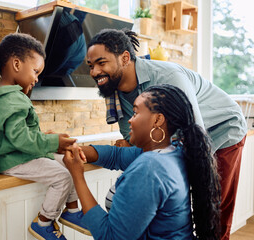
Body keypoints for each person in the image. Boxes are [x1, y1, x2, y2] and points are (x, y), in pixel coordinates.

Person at [86, 28, 247, 240]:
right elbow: (136, 140)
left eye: (101, 63)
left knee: (213, 211)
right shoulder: (116, 92)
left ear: (125, 58)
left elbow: (194, 130)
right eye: (90, 66)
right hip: (185, 140)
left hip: (222, 128)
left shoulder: (167, 77)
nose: (95, 71)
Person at [63, 84, 221, 239]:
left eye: (135, 113)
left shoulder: (150, 167)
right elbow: (116, 155)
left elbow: (110, 236)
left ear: (158, 120)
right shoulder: (172, 152)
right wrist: (74, 148)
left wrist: (78, 176)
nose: (130, 120)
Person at [0, 33, 90, 240]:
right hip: (15, 160)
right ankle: (44, 222)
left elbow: (6, 132)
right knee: (62, 176)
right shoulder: (14, 99)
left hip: (14, 155)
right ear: (16, 64)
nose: (36, 79)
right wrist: (52, 142)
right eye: (35, 72)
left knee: (67, 161)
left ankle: (71, 211)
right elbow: (20, 139)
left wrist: (42, 136)